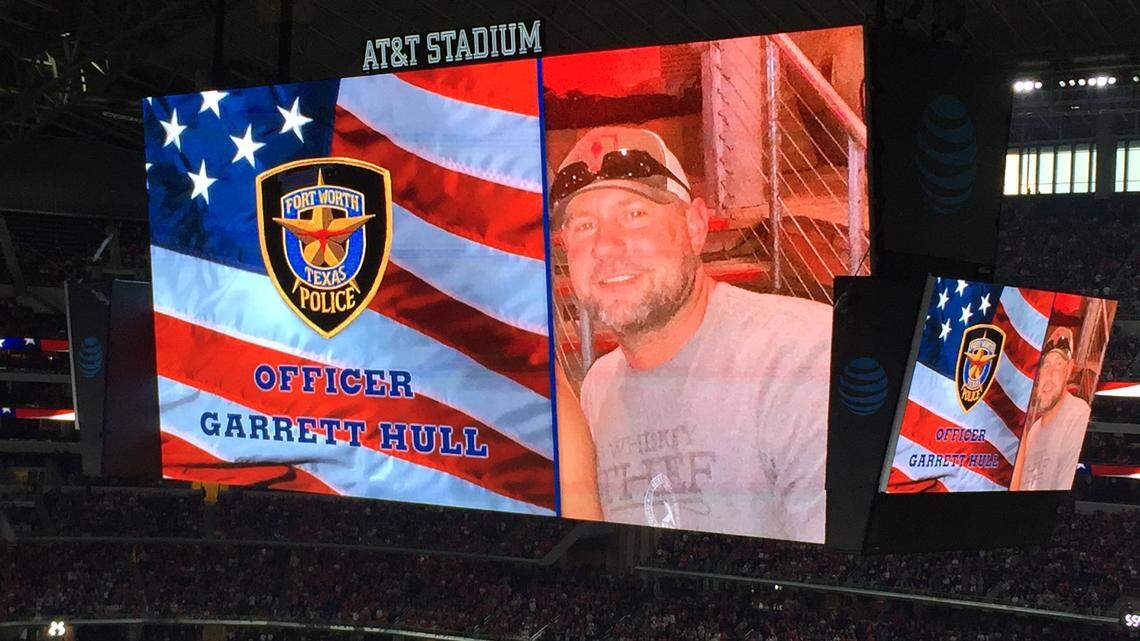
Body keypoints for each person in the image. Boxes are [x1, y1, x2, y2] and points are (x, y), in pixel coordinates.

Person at [552, 126, 832, 542]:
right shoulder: (598, 387)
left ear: (695, 226)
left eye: (634, 214)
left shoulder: (806, 358)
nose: (606, 246)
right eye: (584, 225)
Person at [1011, 327, 1092, 491]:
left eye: (1058, 365)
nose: (1050, 374)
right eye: (1046, 365)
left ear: (1068, 370)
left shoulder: (1078, 414)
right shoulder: (1033, 431)